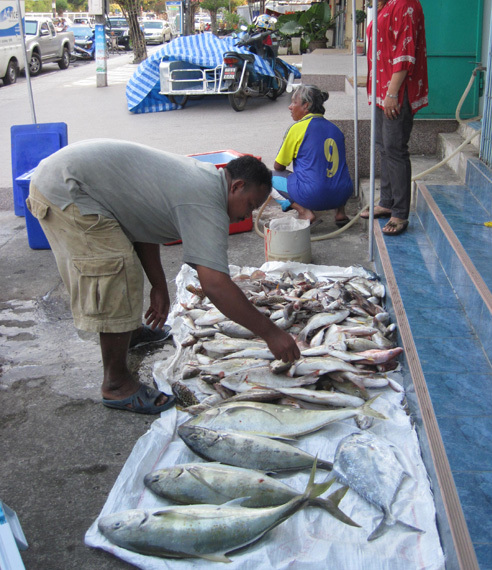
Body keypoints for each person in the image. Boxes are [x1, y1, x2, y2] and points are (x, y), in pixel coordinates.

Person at [26, 141, 300, 415]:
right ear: (236, 186)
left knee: (123, 267)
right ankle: (116, 384)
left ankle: (127, 333)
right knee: (114, 273)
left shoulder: (205, 179)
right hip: (67, 189)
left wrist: (159, 284)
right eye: (250, 205)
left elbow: (142, 221)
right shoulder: (205, 200)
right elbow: (215, 284)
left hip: (74, 177)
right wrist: (271, 333)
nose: (247, 215)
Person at [362, 0, 428, 236]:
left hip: (395, 92)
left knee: (395, 150)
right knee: (383, 148)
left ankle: (400, 212)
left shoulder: (405, 3)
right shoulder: (388, 3)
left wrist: (391, 93)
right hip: (382, 91)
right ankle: (387, 202)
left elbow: (405, 53)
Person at [272, 84, 353, 226]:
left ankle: (304, 212)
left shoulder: (297, 129)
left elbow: (279, 166)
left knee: (268, 177)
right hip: (342, 194)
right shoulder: (336, 129)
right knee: (336, 172)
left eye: (294, 102)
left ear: (306, 106)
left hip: (313, 196)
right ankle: (340, 213)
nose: (290, 107)